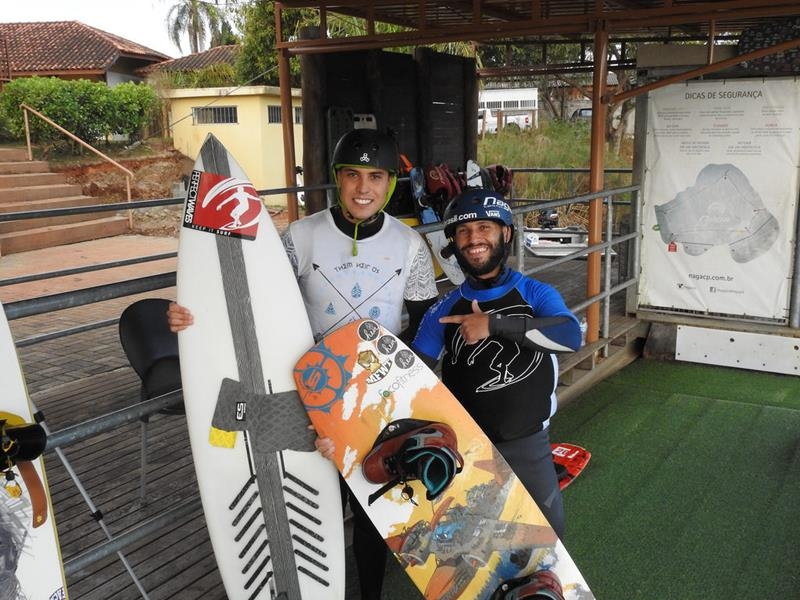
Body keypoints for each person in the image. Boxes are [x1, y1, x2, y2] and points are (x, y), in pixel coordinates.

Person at [168, 128, 439, 599]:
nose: (363, 189)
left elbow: (424, 326)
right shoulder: (301, 235)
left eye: (376, 177)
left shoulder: (410, 245)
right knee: (318, 502)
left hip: (378, 398)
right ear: (337, 179)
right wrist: (194, 317)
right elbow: (257, 300)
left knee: (375, 511)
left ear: (391, 183)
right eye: (352, 175)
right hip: (312, 397)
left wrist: (407, 391)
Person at [410, 188, 582, 539]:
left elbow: (569, 336)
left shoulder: (536, 294)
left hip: (528, 442)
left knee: (547, 538)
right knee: (471, 544)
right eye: (463, 231)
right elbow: (412, 377)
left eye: (485, 228)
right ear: (453, 243)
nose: (474, 239)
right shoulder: (442, 310)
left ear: (505, 234)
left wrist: (494, 325)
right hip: (465, 444)